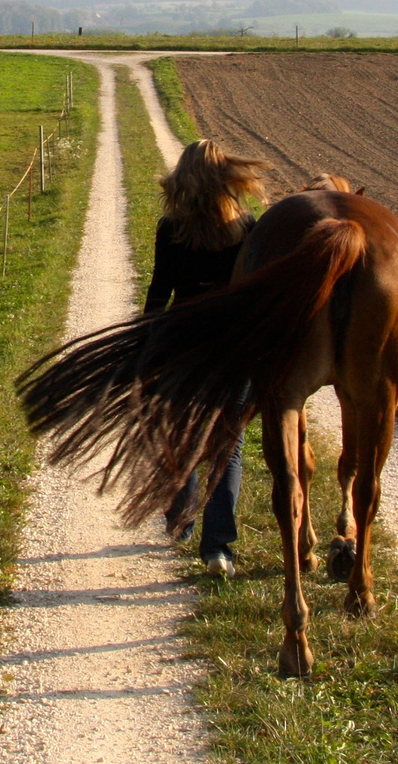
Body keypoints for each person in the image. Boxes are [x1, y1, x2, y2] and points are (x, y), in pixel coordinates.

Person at [143, 139, 269, 577]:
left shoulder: (170, 228)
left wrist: (146, 348)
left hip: (182, 343)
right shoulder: (248, 228)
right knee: (226, 449)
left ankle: (180, 520)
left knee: (182, 438)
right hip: (233, 347)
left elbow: (159, 293)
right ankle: (218, 549)